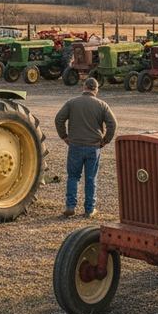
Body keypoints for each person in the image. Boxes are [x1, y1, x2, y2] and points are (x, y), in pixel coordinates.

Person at [54, 77, 117, 218]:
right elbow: (113, 124)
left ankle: (70, 206)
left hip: (75, 145)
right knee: (90, 178)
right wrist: (105, 140)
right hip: (93, 147)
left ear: (84, 87)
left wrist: (64, 136)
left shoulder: (72, 103)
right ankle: (89, 210)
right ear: (96, 89)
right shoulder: (102, 105)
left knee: (73, 177)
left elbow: (59, 119)